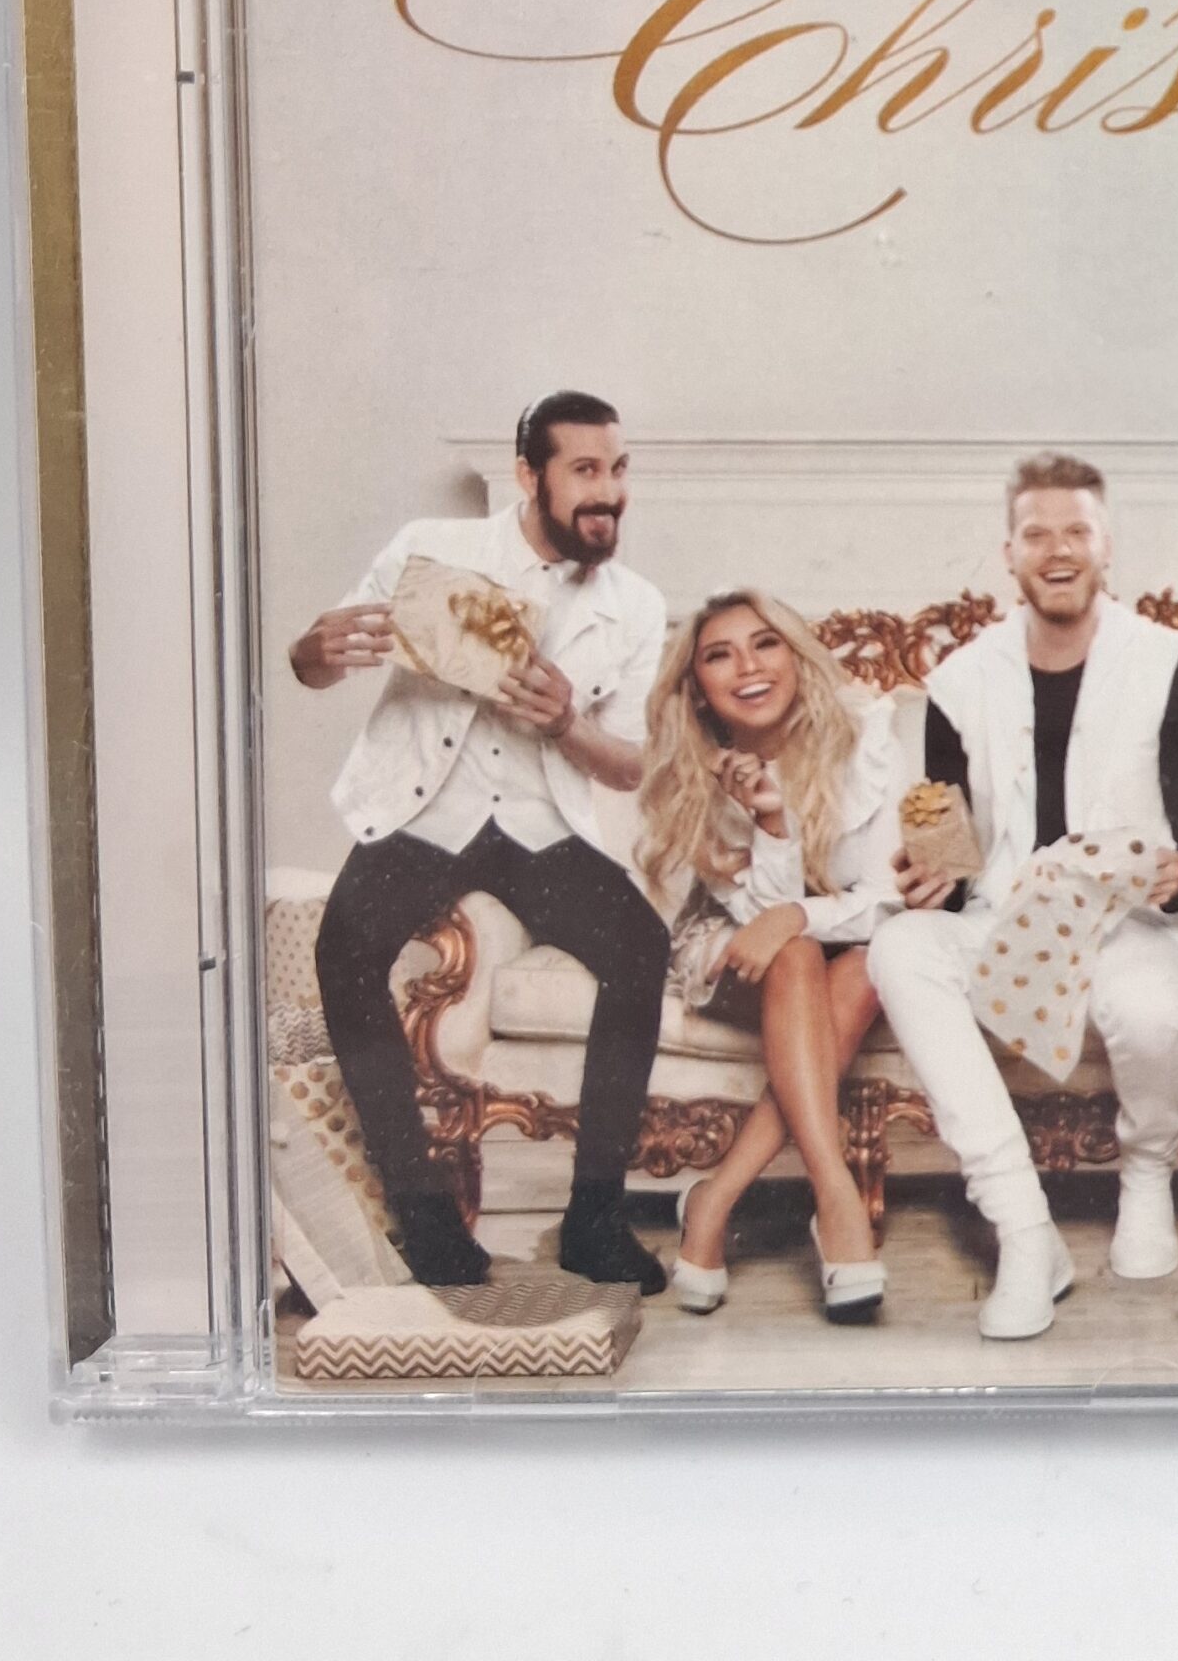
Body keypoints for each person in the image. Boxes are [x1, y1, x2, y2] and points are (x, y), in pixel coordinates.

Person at [295, 392, 673, 1291]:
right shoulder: (432, 549)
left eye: (618, 470)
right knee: (343, 951)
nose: (608, 491)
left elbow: (631, 769)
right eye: (585, 470)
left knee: (641, 947)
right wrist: (313, 650)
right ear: (528, 476)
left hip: (535, 826)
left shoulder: (635, 606)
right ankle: (425, 1220)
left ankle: (594, 1220)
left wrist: (568, 724)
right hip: (426, 810)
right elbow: (315, 665)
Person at [866, 454, 1178, 1340]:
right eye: (1037, 534)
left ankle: (1147, 1169)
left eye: (1077, 532)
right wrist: (934, 876)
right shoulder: (962, 679)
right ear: (1009, 553)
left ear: (1107, 547)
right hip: (1008, 918)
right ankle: (1024, 1229)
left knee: (1151, 1008)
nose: (1058, 550)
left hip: (1127, 919)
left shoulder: (1172, 663)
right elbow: (955, 851)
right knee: (900, 947)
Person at [635, 590, 904, 1323]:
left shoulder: (866, 734)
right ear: (698, 687)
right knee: (796, 958)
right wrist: (770, 823)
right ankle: (837, 1196)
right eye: (719, 656)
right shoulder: (693, 768)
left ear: (795, 655)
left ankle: (715, 1198)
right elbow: (756, 928)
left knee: (861, 965)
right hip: (727, 943)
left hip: (833, 940)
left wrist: (795, 913)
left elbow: (886, 896)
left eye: (765, 644)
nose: (748, 668)